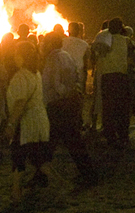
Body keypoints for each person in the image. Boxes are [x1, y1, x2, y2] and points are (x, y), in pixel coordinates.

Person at [41, 33, 98, 188]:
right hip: (67, 104)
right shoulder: (67, 55)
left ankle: (89, 175)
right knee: (63, 142)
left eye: (45, 42)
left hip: (58, 105)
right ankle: (40, 175)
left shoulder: (53, 59)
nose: (42, 45)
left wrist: (59, 95)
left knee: (65, 141)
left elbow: (56, 83)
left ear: (50, 44)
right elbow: (75, 76)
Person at [4, 40, 51, 201]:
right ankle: (59, 185)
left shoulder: (21, 76)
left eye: (17, 54)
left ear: (22, 57)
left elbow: (20, 103)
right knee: (38, 159)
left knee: (19, 156)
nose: (15, 57)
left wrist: (11, 124)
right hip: (39, 121)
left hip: (26, 124)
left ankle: (16, 192)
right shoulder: (36, 73)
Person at [95, 17, 132, 147]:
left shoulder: (103, 39)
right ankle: (123, 135)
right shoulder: (126, 41)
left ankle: (110, 135)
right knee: (122, 108)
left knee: (109, 108)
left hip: (107, 77)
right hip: (121, 77)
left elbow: (97, 53)